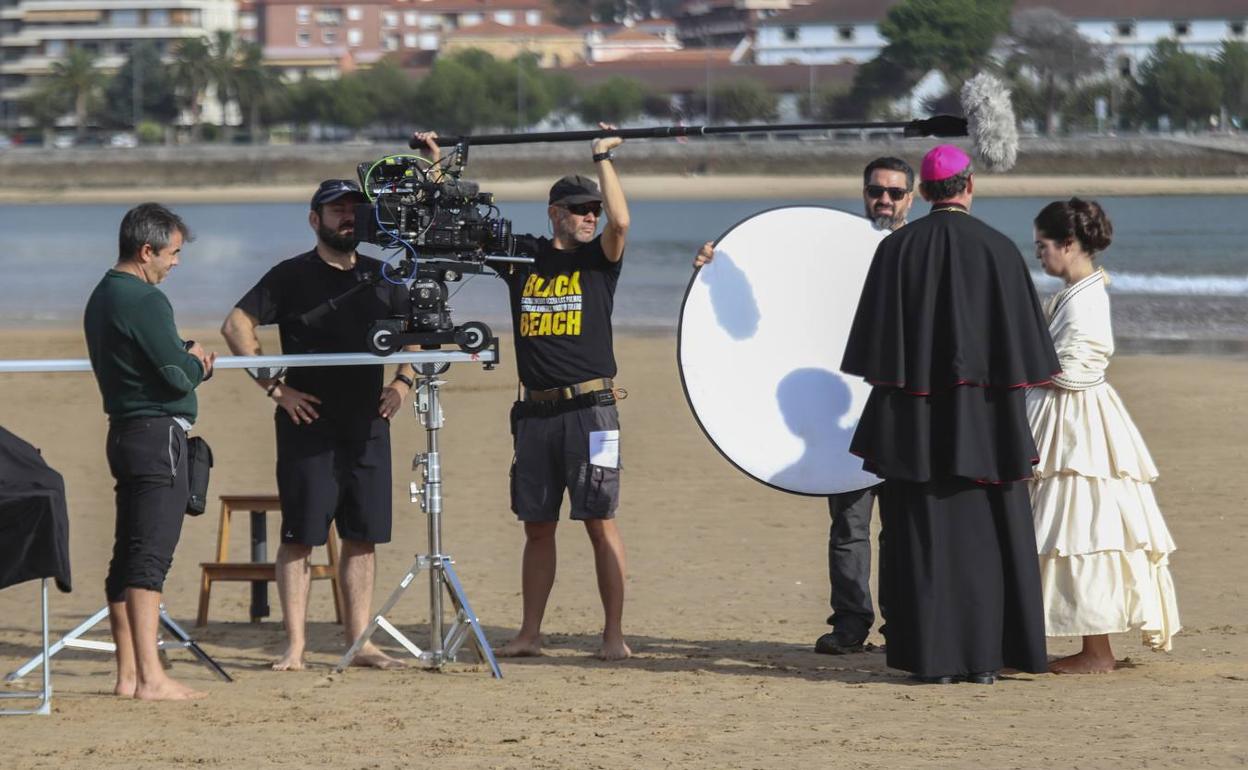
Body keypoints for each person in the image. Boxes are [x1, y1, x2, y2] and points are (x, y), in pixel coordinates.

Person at [840, 145, 1058, 684]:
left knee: (920, 537)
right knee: (987, 537)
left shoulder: (897, 249)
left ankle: (931, 661)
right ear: (969, 186)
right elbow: (1028, 352)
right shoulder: (1000, 249)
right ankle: (985, 660)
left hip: (916, 423)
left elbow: (874, 347)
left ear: (927, 192)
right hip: (986, 425)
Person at [413, 125, 632, 660]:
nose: (590, 217)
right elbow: (455, 226)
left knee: (599, 522)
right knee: (537, 526)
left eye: (593, 210)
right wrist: (436, 162)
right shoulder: (524, 257)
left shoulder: (600, 259)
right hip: (535, 414)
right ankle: (530, 633)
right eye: (580, 209)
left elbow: (623, 220)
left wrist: (602, 158)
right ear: (554, 212)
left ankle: (613, 636)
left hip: (593, 413)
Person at [692, 156, 916, 655]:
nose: (884, 200)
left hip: (901, 413)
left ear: (913, 197)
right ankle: (851, 623)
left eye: (895, 193)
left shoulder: (917, 251)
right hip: (838, 422)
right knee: (850, 527)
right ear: (863, 193)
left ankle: (903, 625)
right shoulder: (834, 246)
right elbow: (782, 285)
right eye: (876, 190)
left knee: (902, 531)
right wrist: (719, 264)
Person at [221, 179, 414, 671]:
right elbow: (236, 325)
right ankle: (296, 646)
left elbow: (418, 331)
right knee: (300, 536)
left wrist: (402, 385)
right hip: (308, 422)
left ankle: (360, 642)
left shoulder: (382, 275)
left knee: (363, 534)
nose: (347, 217)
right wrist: (275, 388)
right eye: (336, 210)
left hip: (370, 422)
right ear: (315, 220)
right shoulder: (290, 276)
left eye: (353, 209)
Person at [1027, 198, 1180, 673]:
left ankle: (1097, 651)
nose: (1040, 256)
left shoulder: (1088, 296)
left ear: (1069, 245)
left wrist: (1025, 369)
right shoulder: (1078, 290)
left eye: (1043, 247)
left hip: (1076, 421)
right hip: (1066, 413)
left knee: (1083, 526)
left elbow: (1078, 370)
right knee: (1071, 528)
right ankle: (1085, 644)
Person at [84, 202, 215, 700]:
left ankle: (129, 675)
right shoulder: (142, 298)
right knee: (149, 559)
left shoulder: (104, 293)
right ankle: (151, 678)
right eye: (173, 253)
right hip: (155, 434)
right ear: (146, 251)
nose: (176, 262)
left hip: (126, 431)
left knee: (128, 555)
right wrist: (199, 363)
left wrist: (182, 356)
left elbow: (151, 358)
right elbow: (178, 374)